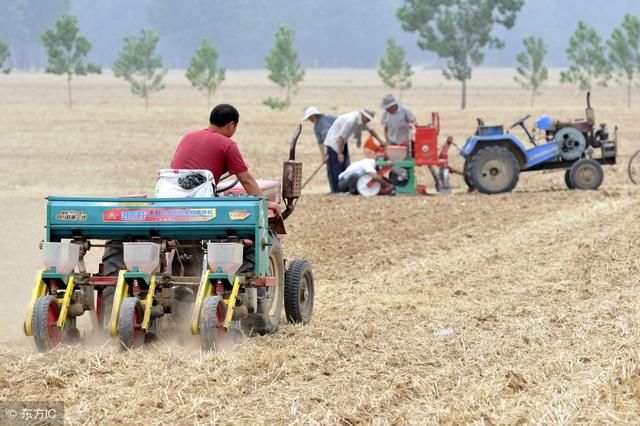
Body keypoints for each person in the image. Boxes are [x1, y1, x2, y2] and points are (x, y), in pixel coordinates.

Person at [171, 103, 262, 196]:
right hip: (200, 200)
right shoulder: (228, 145)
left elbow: (174, 166)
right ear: (231, 125)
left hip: (172, 194)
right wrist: (265, 203)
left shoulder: (188, 137)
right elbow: (246, 180)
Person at [323, 108, 385, 193]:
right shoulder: (352, 120)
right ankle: (336, 190)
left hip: (342, 142)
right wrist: (340, 153)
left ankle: (345, 188)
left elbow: (370, 130)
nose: (368, 121)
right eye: (368, 119)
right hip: (334, 142)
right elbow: (341, 136)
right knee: (335, 166)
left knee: (344, 165)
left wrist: (380, 140)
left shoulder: (360, 120)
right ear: (364, 116)